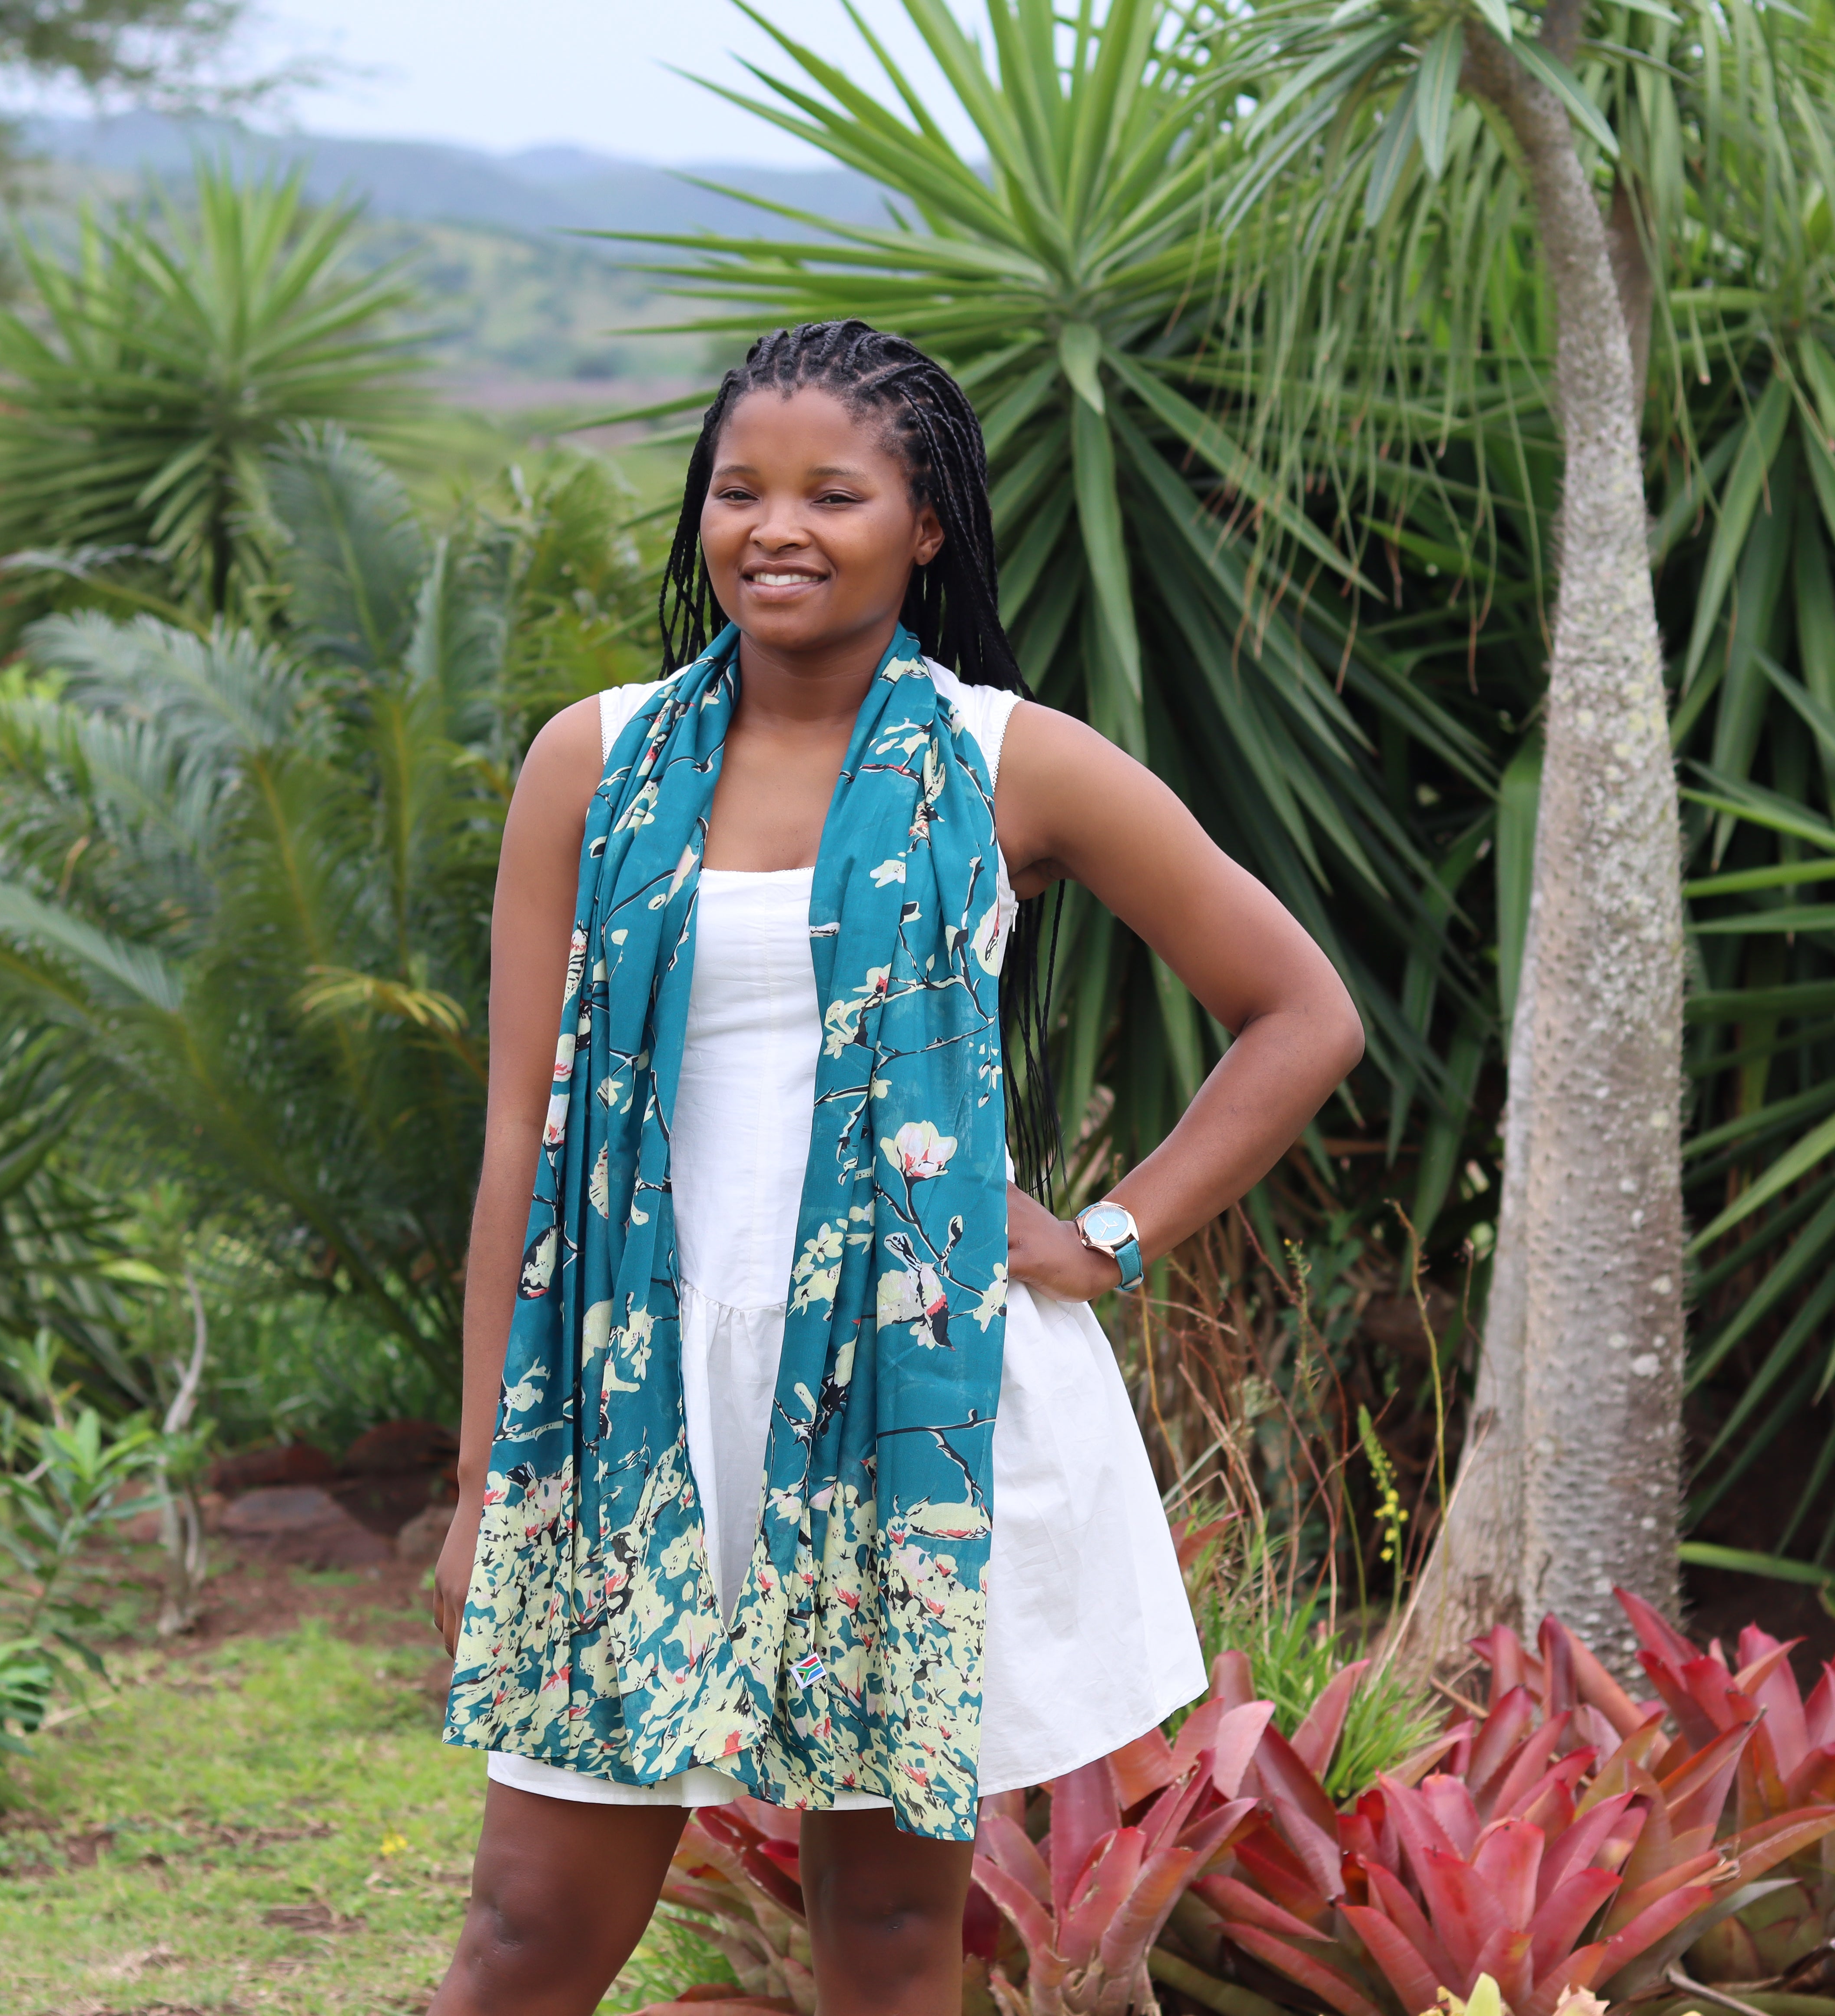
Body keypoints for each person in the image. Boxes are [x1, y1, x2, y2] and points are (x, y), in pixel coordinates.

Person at [427, 320, 1364, 2016]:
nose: (774, 528)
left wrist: (1108, 1235)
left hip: (904, 1404)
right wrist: (490, 1472)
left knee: (881, 1934)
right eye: (739, 490)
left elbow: (1300, 1014)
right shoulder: (593, 759)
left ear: (925, 526)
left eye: (831, 494)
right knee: (524, 1930)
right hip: (626, 1402)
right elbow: (516, 1137)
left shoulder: (1011, 762)